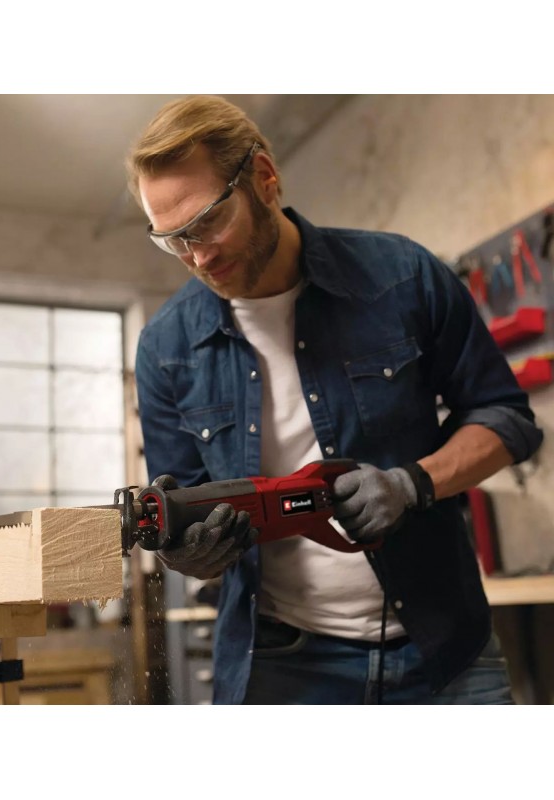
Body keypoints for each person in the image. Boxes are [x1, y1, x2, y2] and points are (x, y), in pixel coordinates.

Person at [126, 95, 544, 704]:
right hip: (284, 666)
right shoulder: (165, 347)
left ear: (264, 178)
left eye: (209, 221)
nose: (199, 256)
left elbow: (506, 417)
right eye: (174, 240)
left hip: (444, 646)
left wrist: (411, 484)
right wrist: (191, 554)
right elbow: (182, 507)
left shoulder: (403, 277)